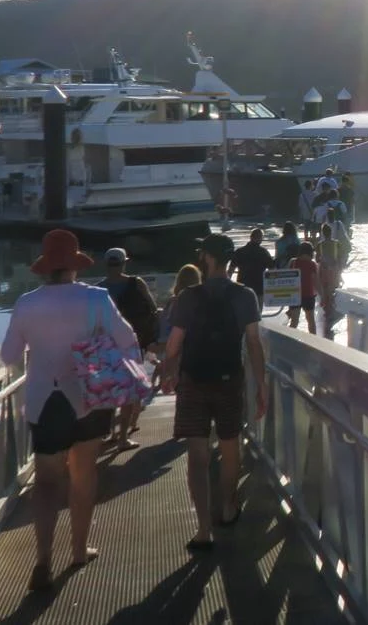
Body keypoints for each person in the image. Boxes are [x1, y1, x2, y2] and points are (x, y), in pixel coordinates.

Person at [0, 229, 138, 591]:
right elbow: (128, 340)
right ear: (75, 265)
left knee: (46, 483)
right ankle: (78, 550)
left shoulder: (27, 304)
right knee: (83, 473)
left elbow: (8, 356)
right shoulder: (96, 299)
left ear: (45, 269)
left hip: (45, 401)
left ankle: (43, 558)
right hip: (89, 396)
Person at [161, 233, 266, 552]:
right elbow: (253, 343)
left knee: (198, 454)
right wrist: (261, 385)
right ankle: (229, 507)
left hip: (194, 379)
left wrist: (168, 369)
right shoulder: (245, 295)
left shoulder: (188, 297)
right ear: (230, 260)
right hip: (229, 380)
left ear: (205, 258)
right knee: (231, 446)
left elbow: (175, 343)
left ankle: (203, 529)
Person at [101, 247, 159, 451]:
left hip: (107, 348)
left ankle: (109, 433)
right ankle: (123, 436)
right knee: (129, 392)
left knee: (110, 391)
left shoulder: (98, 290)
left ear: (106, 264)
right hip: (133, 345)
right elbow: (152, 308)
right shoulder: (136, 283)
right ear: (125, 263)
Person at [232, 228, 275, 304]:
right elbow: (272, 269)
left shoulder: (240, 251)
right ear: (261, 238)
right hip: (258, 286)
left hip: (242, 285)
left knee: (243, 311)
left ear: (251, 237)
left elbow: (231, 269)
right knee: (257, 312)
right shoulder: (263, 252)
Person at [286, 240, 319, 334]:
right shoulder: (312, 264)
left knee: (294, 322)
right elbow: (316, 282)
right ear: (310, 252)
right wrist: (323, 295)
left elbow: (286, 278)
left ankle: (289, 341)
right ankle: (314, 342)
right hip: (308, 295)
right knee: (311, 321)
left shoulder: (293, 262)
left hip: (295, 295)